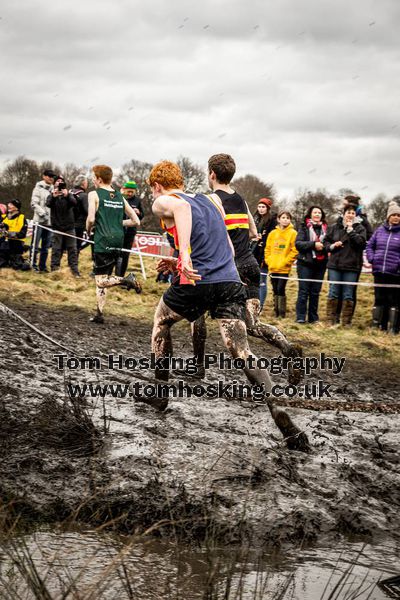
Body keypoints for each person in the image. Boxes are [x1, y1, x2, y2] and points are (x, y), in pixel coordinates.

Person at [147, 160, 309, 452]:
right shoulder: (210, 202)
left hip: (197, 281)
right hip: (230, 281)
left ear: (157, 185)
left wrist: (182, 256)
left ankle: (159, 393)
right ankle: (276, 407)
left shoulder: (165, 201)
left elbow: (181, 211)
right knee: (241, 350)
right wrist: (180, 259)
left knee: (161, 322)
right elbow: (231, 247)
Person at [207, 154, 302, 383]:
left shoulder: (211, 200)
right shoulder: (241, 199)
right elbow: (253, 232)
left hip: (229, 270)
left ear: (211, 174)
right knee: (252, 324)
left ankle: (253, 377)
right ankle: (288, 349)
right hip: (250, 265)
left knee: (212, 320)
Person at [86, 164, 142, 324]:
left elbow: (90, 219)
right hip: (118, 239)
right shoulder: (119, 195)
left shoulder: (94, 194)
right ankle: (99, 313)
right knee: (103, 276)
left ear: (98, 179)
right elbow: (135, 221)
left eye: (93, 177)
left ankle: (127, 280)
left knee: (100, 280)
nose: (92, 180)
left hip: (103, 239)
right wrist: (117, 224)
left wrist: (89, 230)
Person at [324, 205, 367, 327]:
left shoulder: (360, 228)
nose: (350, 215)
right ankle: (331, 320)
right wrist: (332, 246)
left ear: (355, 216)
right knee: (333, 292)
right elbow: (325, 242)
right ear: (344, 214)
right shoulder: (334, 227)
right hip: (335, 265)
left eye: (353, 213)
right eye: (348, 212)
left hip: (351, 267)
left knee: (348, 294)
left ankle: (346, 322)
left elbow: (361, 243)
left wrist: (350, 231)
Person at [366, 200, 400, 334]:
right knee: (379, 298)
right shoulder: (380, 231)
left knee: (393, 300)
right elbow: (370, 246)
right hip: (379, 271)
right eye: (394, 215)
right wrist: (372, 258)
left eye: (398, 215)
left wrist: (398, 264)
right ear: (388, 217)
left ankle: (392, 327)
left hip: (395, 273)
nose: (396, 217)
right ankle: (377, 325)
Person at [295, 206, 328, 324]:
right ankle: (300, 317)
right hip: (305, 263)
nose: (317, 214)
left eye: (319, 212)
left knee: (315, 292)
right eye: (315, 212)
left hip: (321, 264)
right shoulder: (304, 227)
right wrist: (314, 244)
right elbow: (298, 244)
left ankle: (313, 318)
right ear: (310, 214)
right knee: (303, 291)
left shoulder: (326, 229)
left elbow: (328, 243)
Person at [265, 211, 298, 318]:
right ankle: (276, 311)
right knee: (274, 289)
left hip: (284, 268)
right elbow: (268, 249)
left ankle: (282, 313)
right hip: (273, 267)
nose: (285, 220)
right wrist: (269, 260)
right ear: (279, 219)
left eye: (287, 218)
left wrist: (286, 261)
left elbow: (294, 250)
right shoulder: (272, 234)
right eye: (283, 217)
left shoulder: (293, 233)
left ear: (290, 220)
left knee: (280, 289)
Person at [46, 175, 80, 277]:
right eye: (57, 181)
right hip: (57, 227)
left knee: (72, 250)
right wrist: (53, 196)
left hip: (69, 227)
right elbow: (48, 204)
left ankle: (74, 271)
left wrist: (68, 195)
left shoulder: (69, 194)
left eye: (61, 181)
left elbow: (75, 203)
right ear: (54, 183)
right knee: (56, 250)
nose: (59, 183)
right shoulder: (51, 194)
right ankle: (55, 271)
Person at [252, 198, 277, 311]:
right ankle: (252, 303)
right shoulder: (254, 218)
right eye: (260, 206)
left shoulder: (271, 220)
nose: (261, 209)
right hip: (252, 251)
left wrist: (263, 238)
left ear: (267, 208)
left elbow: (272, 238)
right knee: (252, 281)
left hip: (263, 254)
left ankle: (260, 306)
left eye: (264, 207)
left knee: (262, 281)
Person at [116, 180, 145, 277]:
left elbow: (142, 216)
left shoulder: (137, 201)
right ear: (124, 190)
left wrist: (139, 213)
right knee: (116, 253)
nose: (130, 193)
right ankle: (111, 274)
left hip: (130, 232)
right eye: (128, 191)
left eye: (132, 192)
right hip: (118, 230)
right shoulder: (118, 198)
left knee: (125, 255)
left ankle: (121, 276)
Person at [30, 168, 56, 272]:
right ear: (44, 176)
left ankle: (43, 266)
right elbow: (33, 204)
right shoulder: (37, 188)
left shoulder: (54, 190)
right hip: (39, 222)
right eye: (49, 176)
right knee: (35, 245)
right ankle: (33, 265)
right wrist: (42, 213)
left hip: (49, 223)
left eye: (52, 176)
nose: (51, 178)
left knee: (46, 247)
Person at [0, 199, 30, 270]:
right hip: (3, 243)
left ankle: (22, 261)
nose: (9, 206)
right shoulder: (3, 217)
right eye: (9, 204)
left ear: (16, 208)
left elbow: (22, 234)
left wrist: (8, 234)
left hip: (16, 244)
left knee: (18, 266)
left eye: (11, 205)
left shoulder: (21, 218)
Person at [70, 175, 89, 253]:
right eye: (86, 182)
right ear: (83, 184)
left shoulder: (69, 192)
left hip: (68, 224)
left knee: (69, 245)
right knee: (77, 246)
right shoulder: (84, 196)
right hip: (79, 225)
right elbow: (87, 210)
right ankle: (74, 264)